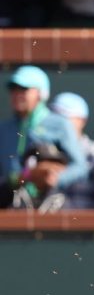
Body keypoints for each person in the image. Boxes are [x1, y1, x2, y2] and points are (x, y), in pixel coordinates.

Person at [0, 65, 88, 199]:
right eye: (13, 89)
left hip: (49, 204)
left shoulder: (59, 124)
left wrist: (55, 178)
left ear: (41, 93)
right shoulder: (4, 129)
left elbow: (80, 166)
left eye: (23, 89)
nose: (17, 94)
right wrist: (20, 178)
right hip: (9, 205)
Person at [49, 92, 94, 209]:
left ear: (82, 121)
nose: (58, 123)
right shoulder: (43, 150)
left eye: (64, 118)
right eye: (53, 116)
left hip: (88, 227)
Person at [0, 143, 70, 212]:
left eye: (56, 167)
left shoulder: (60, 199)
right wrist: (28, 173)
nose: (52, 170)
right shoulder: (13, 192)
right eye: (46, 164)